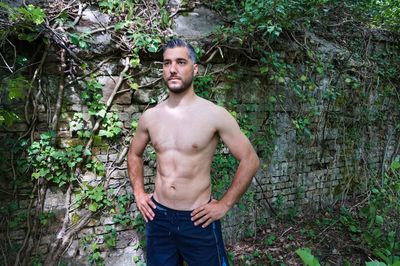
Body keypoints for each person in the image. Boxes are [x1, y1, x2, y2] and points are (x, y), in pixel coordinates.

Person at [127, 38, 260, 266]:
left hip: (197, 219)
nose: (173, 69)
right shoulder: (151, 116)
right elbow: (133, 154)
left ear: (194, 69)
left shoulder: (214, 115)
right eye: (167, 63)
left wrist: (224, 204)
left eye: (180, 62)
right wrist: (139, 194)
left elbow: (250, 160)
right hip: (158, 218)